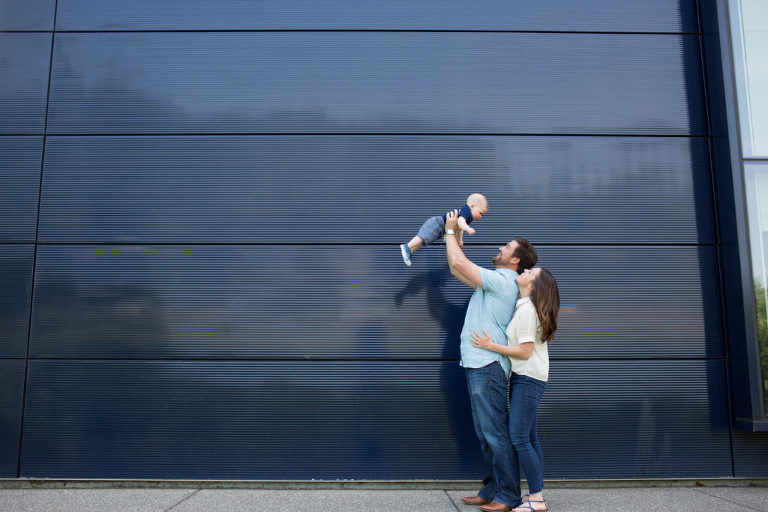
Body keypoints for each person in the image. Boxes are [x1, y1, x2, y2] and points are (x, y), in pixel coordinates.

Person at [443, 209, 538, 512]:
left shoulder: (503, 281)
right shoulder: (496, 281)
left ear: (515, 261)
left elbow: (458, 262)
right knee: (487, 433)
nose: (500, 247)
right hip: (479, 363)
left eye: (507, 247)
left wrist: (448, 231)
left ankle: (508, 496)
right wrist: (457, 233)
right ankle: (491, 489)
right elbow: (457, 269)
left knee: (495, 433)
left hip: (488, 366)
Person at [470, 267, 560, 512]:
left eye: (531, 272)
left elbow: (525, 351)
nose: (526, 270)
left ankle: (537, 499)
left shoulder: (528, 311)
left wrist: (491, 345)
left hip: (528, 379)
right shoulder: (524, 307)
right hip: (528, 378)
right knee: (528, 438)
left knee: (519, 438)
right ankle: (535, 494)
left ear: (533, 286)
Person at [400, 193, 489, 266]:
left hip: (440, 229)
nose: (480, 216)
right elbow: (461, 222)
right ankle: (407, 246)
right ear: (472, 206)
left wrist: (459, 240)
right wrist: (468, 229)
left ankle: (410, 251)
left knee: (424, 241)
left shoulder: (468, 217)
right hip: (437, 224)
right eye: (480, 213)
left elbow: (459, 228)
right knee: (423, 237)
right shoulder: (466, 210)